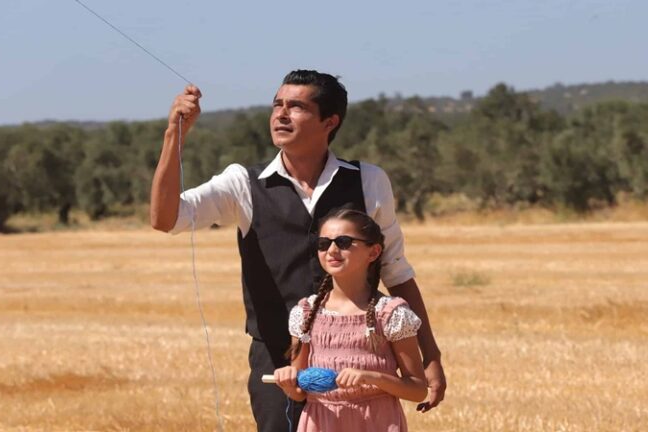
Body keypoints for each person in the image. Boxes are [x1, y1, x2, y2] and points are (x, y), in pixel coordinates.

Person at [150, 70, 445, 432]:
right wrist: (174, 136)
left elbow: (396, 272)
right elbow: (165, 218)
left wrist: (430, 356)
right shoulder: (242, 183)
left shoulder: (368, 180)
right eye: (277, 104)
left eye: (296, 106)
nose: (281, 114)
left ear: (329, 122)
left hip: (362, 362)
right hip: (279, 361)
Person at [273, 208, 427, 431]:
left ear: (373, 252)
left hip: (377, 423)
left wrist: (373, 378)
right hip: (321, 423)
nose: (332, 250)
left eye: (343, 242)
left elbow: (417, 390)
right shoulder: (306, 313)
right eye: (323, 244)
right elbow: (300, 392)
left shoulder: (391, 314)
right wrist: (288, 383)